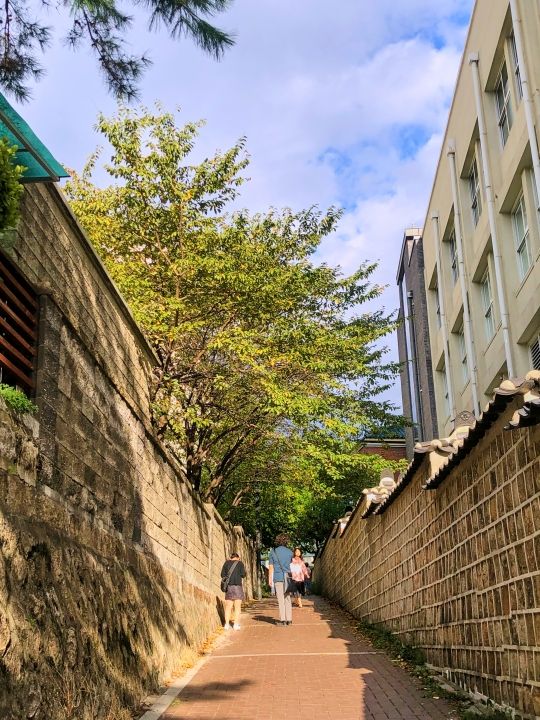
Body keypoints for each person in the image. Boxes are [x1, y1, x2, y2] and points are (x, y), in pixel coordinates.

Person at [268, 533, 293, 626]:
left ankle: (283, 620)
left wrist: (270, 579)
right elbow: (291, 565)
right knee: (287, 598)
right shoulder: (290, 552)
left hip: (278, 577)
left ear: (277, 541)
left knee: (280, 599)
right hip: (288, 578)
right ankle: (289, 619)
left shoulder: (273, 552)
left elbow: (271, 567)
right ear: (286, 541)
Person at [220, 551, 246, 630]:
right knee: (237, 607)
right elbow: (243, 575)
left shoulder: (226, 563)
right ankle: (235, 624)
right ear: (238, 558)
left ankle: (227, 624)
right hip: (238, 586)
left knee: (228, 607)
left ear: (231, 557)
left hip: (229, 587)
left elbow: (222, 575)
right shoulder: (240, 563)